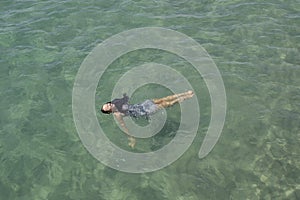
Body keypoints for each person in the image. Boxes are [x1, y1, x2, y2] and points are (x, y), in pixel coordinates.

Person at [101, 90, 194, 148]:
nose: (109, 104)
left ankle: (185, 93)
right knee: (168, 104)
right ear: (109, 112)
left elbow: (125, 100)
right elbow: (123, 126)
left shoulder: (115, 102)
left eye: (108, 104)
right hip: (146, 111)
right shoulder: (117, 115)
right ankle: (186, 97)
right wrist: (131, 138)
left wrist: (124, 96)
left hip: (143, 104)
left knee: (163, 99)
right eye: (108, 107)